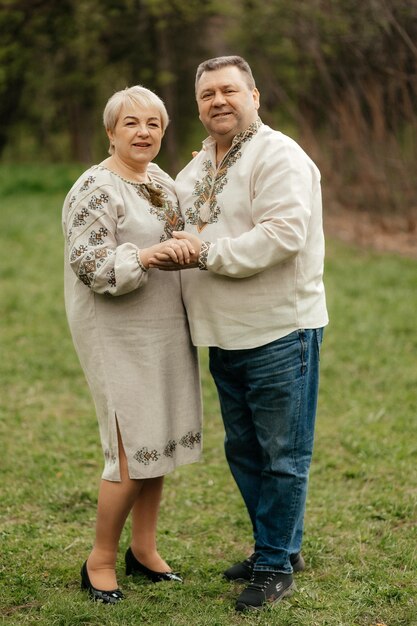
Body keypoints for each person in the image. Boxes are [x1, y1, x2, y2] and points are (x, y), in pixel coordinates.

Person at [149, 55, 329, 611]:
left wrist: (205, 254)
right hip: (222, 335)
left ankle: (274, 563)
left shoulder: (279, 156)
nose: (218, 101)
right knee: (245, 452)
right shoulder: (196, 167)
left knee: (282, 455)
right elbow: (178, 225)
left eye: (229, 90)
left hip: (278, 329)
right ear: (198, 106)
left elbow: (283, 235)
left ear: (254, 95)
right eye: (207, 95)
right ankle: (281, 546)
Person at [62, 86, 202, 604]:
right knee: (128, 449)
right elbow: (90, 265)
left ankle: (143, 549)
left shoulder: (161, 180)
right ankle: (99, 559)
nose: (144, 133)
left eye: (154, 125)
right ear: (110, 132)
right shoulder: (95, 188)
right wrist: (145, 257)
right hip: (117, 330)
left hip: (165, 325)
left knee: (157, 439)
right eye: (132, 124)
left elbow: (187, 220)